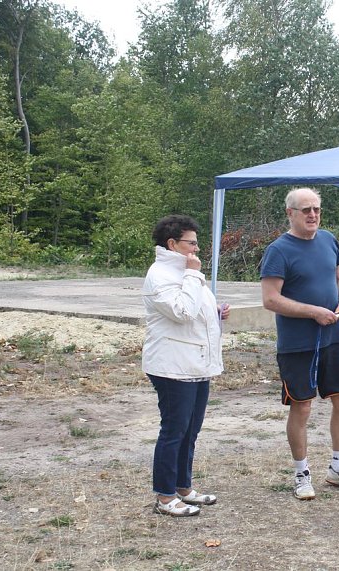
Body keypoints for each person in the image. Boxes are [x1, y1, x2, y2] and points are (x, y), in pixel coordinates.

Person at [260, 188, 339, 500]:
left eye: (317, 209)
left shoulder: (328, 240)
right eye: (306, 209)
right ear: (290, 213)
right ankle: (301, 474)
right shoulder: (278, 250)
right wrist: (312, 312)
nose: (312, 215)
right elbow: (270, 299)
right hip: (298, 344)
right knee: (303, 406)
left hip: (332, 339)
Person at [142, 215, 229, 517]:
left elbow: (195, 311)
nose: (196, 248)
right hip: (172, 366)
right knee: (174, 431)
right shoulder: (160, 274)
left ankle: (183, 487)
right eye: (191, 243)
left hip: (196, 363)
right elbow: (182, 311)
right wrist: (193, 275)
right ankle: (165, 497)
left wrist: (215, 311)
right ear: (172, 244)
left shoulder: (185, 271)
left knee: (190, 430)